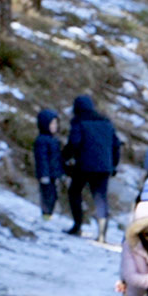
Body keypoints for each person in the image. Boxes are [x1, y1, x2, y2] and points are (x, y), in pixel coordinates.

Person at [64, 94, 122, 239]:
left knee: (74, 192)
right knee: (100, 198)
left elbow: (74, 143)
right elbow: (116, 145)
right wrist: (114, 165)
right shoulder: (106, 123)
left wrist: (64, 158)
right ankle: (102, 233)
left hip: (84, 166)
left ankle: (77, 225)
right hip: (104, 167)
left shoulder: (79, 122)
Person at [33, 109, 65, 222]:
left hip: (54, 174)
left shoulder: (54, 140)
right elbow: (42, 159)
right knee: (47, 196)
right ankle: (46, 216)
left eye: (56, 123)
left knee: (53, 196)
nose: (54, 126)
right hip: (47, 175)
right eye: (52, 124)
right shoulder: (41, 140)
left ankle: (49, 215)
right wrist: (44, 174)